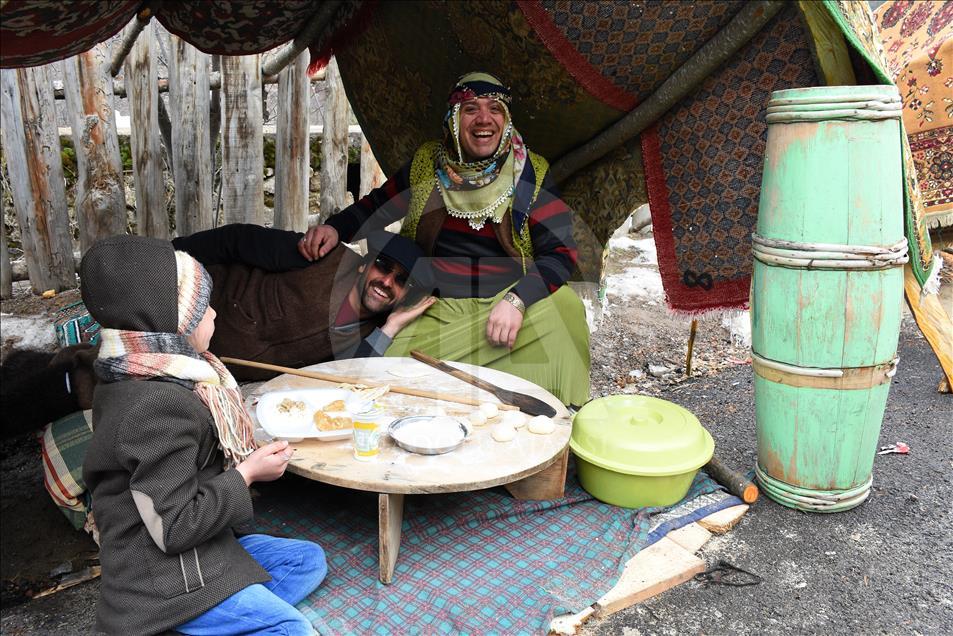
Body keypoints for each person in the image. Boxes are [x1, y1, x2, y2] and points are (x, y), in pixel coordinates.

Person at [80, 234, 325, 635]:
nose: (213, 314)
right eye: (200, 309)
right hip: (161, 576)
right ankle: (187, 618)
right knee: (290, 628)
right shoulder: (152, 406)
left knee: (307, 561)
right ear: (173, 324)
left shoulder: (141, 370)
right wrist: (246, 475)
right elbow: (174, 526)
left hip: (202, 546)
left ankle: (219, 615)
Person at [298, 71, 590, 406]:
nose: (484, 118)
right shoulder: (428, 164)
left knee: (564, 310)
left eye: (495, 108)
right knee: (385, 370)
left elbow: (561, 252)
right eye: (470, 109)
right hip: (435, 307)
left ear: (506, 119)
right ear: (454, 118)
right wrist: (336, 227)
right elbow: (378, 205)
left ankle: (560, 423)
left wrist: (517, 301)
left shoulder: (530, 172)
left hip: (505, 308)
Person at [172, 223, 437, 381]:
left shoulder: (369, 332)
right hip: (181, 310)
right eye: (383, 266)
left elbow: (353, 375)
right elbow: (235, 241)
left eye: (403, 281)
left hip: (205, 371)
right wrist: (168, 255)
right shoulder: (320, 254)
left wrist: (391, 327)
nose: (387, 282)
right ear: (363, 265)